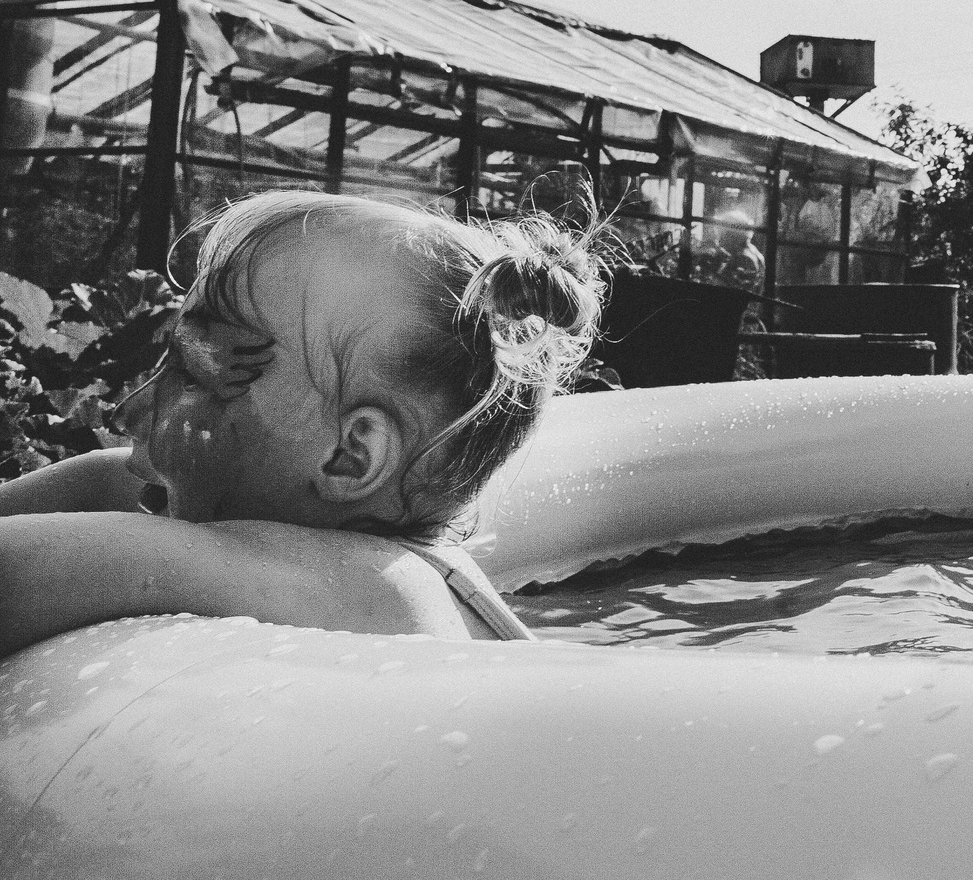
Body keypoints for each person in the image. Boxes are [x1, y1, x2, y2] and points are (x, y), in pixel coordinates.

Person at [0, 189, 600, 657]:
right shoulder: (382, 556)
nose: (124, 412)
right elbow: (109, 481)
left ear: (350, 456)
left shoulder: (372, 592)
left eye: (192, 376)